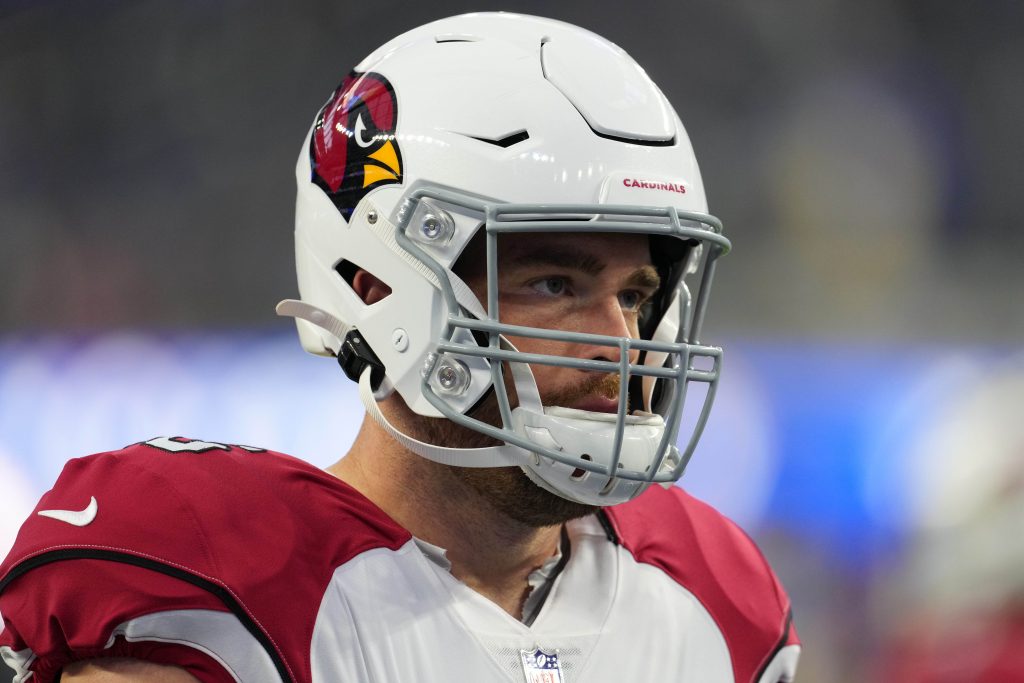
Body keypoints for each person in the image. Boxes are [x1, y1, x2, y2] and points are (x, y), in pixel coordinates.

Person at [0, 13, 800, 683]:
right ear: (376, 283)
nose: (621, 345)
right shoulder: (223, 577)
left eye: (635, 295)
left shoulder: (711, 596)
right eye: (556, 284)